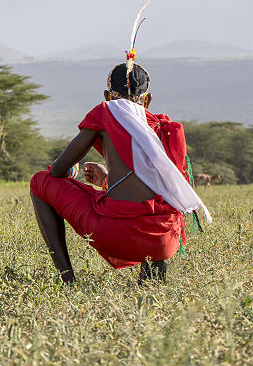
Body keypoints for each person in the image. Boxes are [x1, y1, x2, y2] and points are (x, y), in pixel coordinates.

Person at [29, 60, 211, 284]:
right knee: (156, 210)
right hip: (164, 240)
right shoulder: (164, 127)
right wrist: (106, 180)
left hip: (118, 236)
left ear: (107, 96)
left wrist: (72, 169)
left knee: (40, 181)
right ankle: (153, 279)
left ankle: (67, 280)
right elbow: (156, 185)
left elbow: (57, 170)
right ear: (148, 99)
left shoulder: (105, 112)